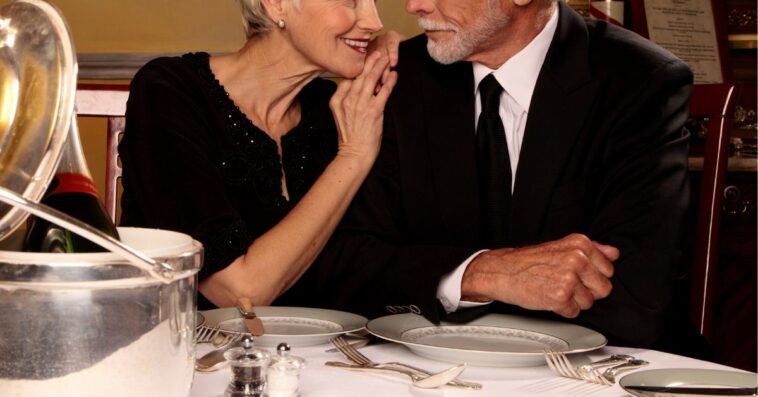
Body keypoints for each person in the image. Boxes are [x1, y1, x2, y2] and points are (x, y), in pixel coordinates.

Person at [307, 0, 703, 354]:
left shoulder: (639, 82)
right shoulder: (397, 80)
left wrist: (432, 277)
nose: (414, 6)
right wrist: (482, 274)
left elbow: (638, 300)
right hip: (432, 369)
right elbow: (347, 268)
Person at [118, 0, 398, 309]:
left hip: (318, 353)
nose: (375, 22)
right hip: (183, 351)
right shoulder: (170, 92)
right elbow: (239, 293)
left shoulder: (338, 108)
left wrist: (408, 60)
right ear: (277, 5)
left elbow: (373, 264)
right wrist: (353, 157)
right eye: (351, 2)